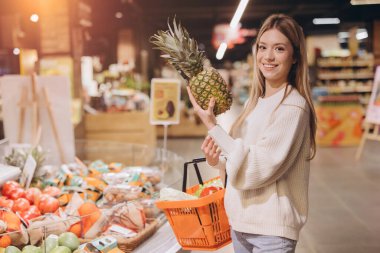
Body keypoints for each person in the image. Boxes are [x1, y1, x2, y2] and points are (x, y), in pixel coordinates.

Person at [187, 14, 317, 253]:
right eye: (263, 47)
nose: (268, 57)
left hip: (271, 231)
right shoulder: (255, 103)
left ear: (295, 56)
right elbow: (242, 156)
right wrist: (218, 161)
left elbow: (259, 167)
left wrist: (213, 127)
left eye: (279, 49)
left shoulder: (293, 107)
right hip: (241, 223)